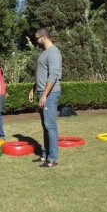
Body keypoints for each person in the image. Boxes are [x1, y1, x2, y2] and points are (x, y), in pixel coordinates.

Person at [29, 28, 62, 168]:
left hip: (50, 94)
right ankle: (45, 154)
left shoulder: (54, 52)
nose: (36, 41)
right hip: (42, 92)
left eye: (37, 38)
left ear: (44, 37)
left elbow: (53, 76)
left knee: (50, 126)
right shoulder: (44, 53)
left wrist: (44, 95)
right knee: (45, 126)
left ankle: (52, 159)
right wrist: (33, 88)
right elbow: (41, 74)